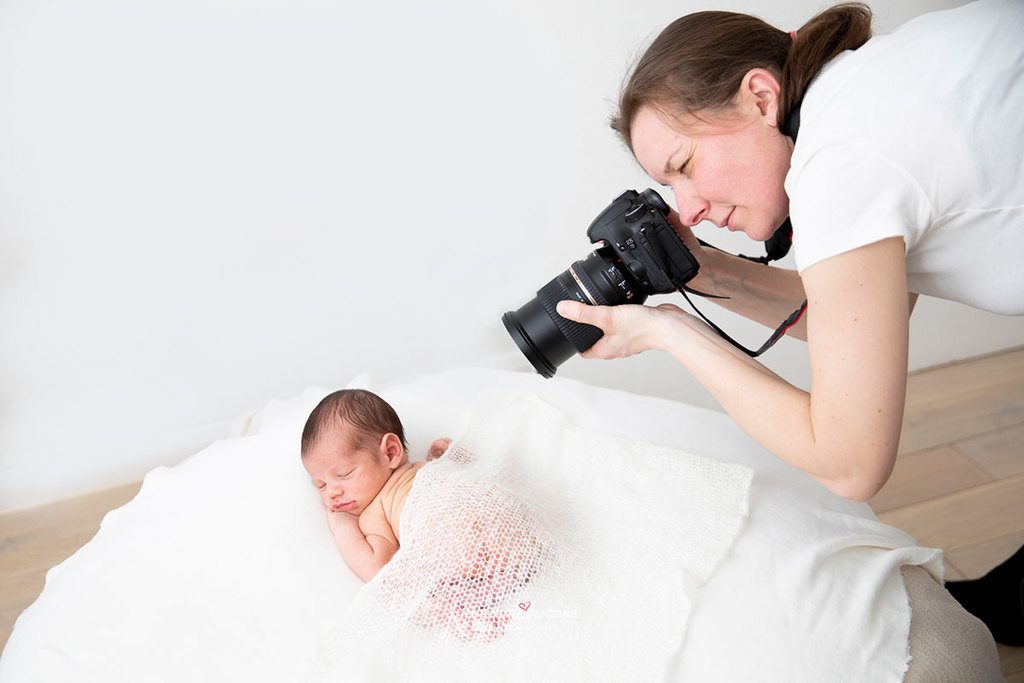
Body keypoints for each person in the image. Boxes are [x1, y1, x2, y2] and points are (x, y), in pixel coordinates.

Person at [554, 0, 1022, 651]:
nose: (688, 208)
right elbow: (857, 315)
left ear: (759, 96)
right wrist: (706, 274)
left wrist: (668, 332)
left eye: (683, 165)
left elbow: (850, 461)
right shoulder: (858, 94)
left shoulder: (838, 162)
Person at [300, 388, 450, 582]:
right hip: (468, 563)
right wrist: (344, 524)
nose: (332, 492)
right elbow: (377, 569)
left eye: (344, 474)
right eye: (321, 485)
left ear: (390, 452)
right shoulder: (377, 512)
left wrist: (445, 459)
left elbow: (460, 483)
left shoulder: (424, 471)